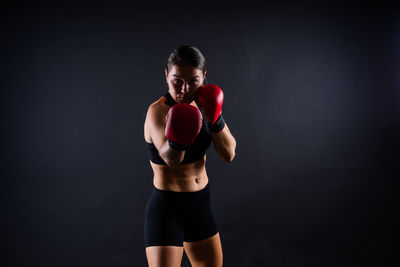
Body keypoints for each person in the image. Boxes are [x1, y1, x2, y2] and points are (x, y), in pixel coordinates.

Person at [143, 45, 237, 267]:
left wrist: (215, 120)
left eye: (193, 81)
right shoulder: (157, 111)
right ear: (166, 76)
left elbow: (229, 153)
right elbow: (171, 158)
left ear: (204, 77)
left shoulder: (207, 105)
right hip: (167, 208)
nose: (185, 89)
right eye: (177, 81)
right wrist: (178, 136)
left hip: (199, 204)